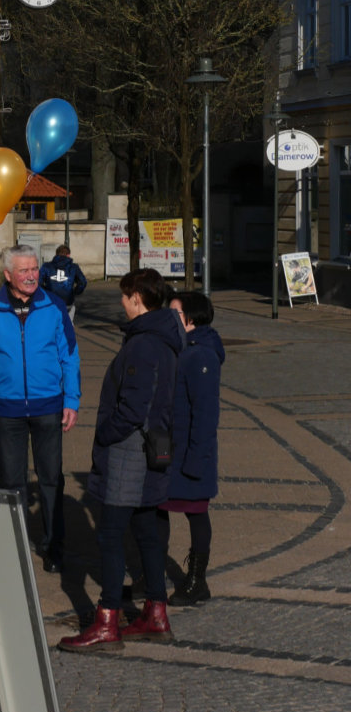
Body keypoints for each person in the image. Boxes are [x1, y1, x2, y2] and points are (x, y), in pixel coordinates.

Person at [59, 268, 183, 653]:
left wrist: (107, 432)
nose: (120, 303)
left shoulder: (145, 343)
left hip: (131, 451)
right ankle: (155, 613)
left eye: (124, 296)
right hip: (151, 447)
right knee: (146, 531)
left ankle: (107, 621)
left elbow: (134, 405)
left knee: (111, 535)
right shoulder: (162, 338)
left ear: (136, 299)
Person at [0, 244, 80, 573]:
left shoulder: (55, 306)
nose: (32, 276)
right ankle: (15, 547)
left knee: (50, 480)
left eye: (35, 269)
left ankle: (53, 546)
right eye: (24, 271)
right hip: (7, 410)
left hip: (49, 408)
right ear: (7, 275)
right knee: (12, 482)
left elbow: (70, 357)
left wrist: (71, 399)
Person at [158, 291, 224, 606]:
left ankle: (197, 581)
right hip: (169, 447)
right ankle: (152, 575)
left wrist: (197, 459)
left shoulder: (201, 355)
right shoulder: (182, 348)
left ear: (190, 319)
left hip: (189, 451)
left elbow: (205, 412)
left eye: (175, 313)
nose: (169, 318)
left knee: (196, 513)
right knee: (154, 509)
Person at [39, 244, 87, 320]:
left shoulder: (46, 266)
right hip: (67, 302)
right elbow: (83, 282)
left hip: (50, 302)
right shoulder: (74, 267)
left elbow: (38, 282)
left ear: (56, 254)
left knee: (50, 324)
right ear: (68, 255)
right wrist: (74, 292)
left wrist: (46, 292)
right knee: (68, 323)